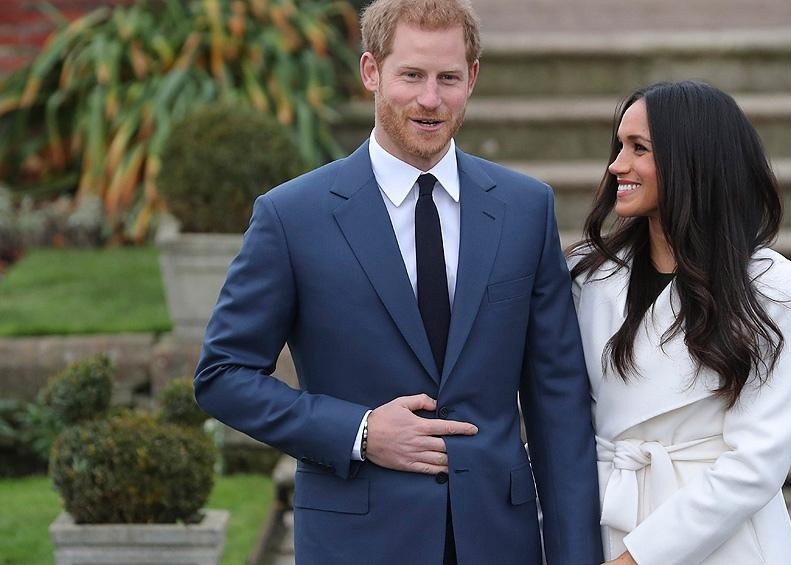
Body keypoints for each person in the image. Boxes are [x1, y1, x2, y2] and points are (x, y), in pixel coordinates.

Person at [193, 1, 603, 563]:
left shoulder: (525, 208)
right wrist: (358, 430)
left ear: (473, 78)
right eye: (411, 75)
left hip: (499, 542)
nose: (430, 99)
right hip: (356, 541)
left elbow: (559, 405)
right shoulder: (291, 216)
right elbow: (222, 375)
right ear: (371, 72)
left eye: (448, 78)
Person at [567, 81, 791, 565]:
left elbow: (758, 460)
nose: (617, 164)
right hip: (607, 521)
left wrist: (640, 559)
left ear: (691, 162)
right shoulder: (590, 277)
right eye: (619, 146)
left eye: (639, 149)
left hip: (724, 541)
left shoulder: (767, 284)